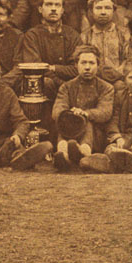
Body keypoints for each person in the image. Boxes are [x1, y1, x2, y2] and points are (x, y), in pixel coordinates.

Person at [51, 44, 116, 172]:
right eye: (83, 63)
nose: (87, 67)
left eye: (91, 63)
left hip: (96, 136)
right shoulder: (66, 87)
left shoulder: (106, 88)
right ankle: (63, 154)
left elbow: (105, 112)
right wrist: (70, 114)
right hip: (70, 131)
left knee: (86, 121)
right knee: (63, 121)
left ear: (98, 65)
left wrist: (84, 113)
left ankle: (84, 153)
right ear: (76, 65)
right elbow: (57, 110)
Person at [15, 0, 83, 107]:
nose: (53, 9)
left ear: (62, 10)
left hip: (70, 85)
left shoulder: (73, 35)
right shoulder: (32, 35)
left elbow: (78, 68)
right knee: (44, 83)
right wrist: (61, 84)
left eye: (57, 5)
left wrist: (54, 68)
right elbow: (36, 69)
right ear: (40, 9)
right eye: (49, 4)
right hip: (45, 87)